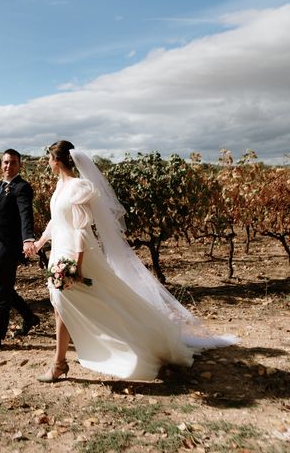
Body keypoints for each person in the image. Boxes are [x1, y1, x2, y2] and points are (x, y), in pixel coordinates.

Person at [29, 140, 237, 381]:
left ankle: (68, 361)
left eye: (48, 158)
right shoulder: (60, 186)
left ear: (57, 160)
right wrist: (39, 243)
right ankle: (60, 362)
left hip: (76, 255)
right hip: (59, 252)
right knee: (61, 307)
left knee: (99, 303)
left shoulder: (79, 187)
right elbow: (57, 221)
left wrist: (76, 264)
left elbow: (81, 230)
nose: (47, 163)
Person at [0, 149, 41, 353]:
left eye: (12, 162)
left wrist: (28, 238)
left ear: (20, 165)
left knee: (3, 293)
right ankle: (29, 317)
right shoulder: (2, 185)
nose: (8, 166)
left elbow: (25, 214)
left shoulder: (22, 188)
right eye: (5, 162)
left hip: (8, 246)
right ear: (0, 164)